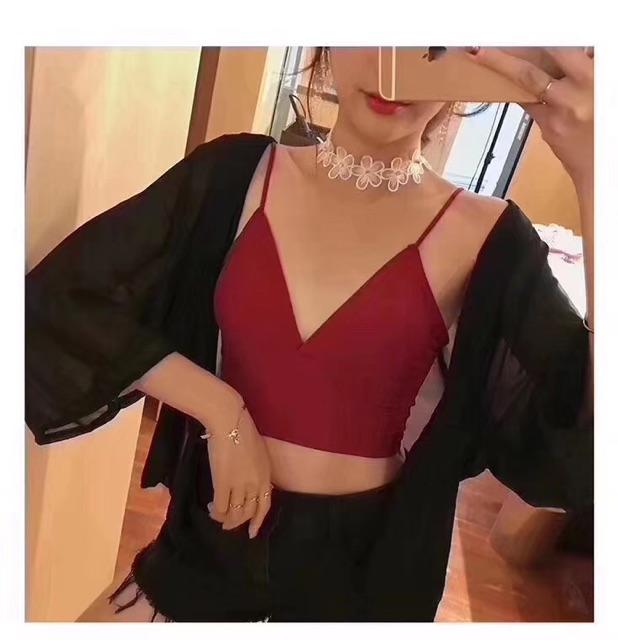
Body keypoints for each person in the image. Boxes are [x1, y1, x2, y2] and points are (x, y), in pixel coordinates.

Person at [25, 47, 594, 622]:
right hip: (208, 542)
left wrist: (597, 179)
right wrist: (219, 408)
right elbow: (59, 300)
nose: (391, 70)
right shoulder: (235, 175)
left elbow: (586, 434)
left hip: (361, 579)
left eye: (429, 43)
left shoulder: (486, 234)